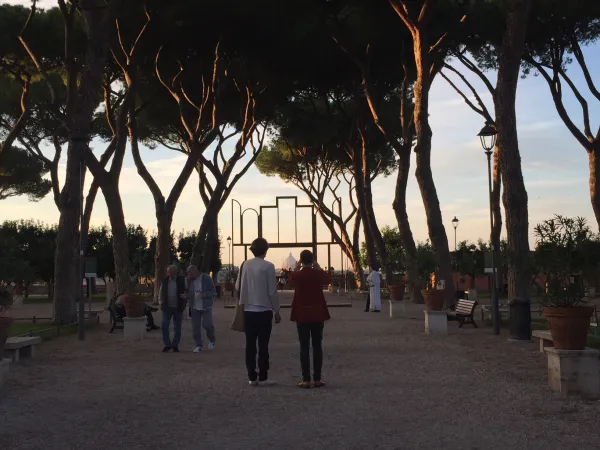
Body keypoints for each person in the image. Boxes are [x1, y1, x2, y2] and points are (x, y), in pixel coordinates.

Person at [235, 237, 281, 386]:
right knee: (263, 345)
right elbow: (272, 291)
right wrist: (277, 310)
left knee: (250, 344)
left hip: (248, 310)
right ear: (265, 250)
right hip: (264, 310)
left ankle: (251, 376)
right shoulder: (268, 266)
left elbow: (237, 287)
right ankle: (263, 376)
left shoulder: (245, 265)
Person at [289, 251, 330, 388]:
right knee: (317, 346)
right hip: (317, 313)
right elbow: (327, 280)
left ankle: (306, 379)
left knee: (304, 347)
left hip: (302, 314)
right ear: (312, 260)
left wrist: (295, 267)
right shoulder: (317, 274)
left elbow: (290, 280)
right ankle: (317, 379)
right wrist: (318, 267)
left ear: (300, 260)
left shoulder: (297, 275)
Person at [187, 265, 217, 353]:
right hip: (194, 306)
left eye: (191, 274)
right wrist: (186, 296)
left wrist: (205, 295)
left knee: (207, 325)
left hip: (206, 306)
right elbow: (188, 292)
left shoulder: (206, 278)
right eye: (188, 274)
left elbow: (214, 292)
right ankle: (198, 345)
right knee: (195, 327)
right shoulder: (189, 280)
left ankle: (212, 340)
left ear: (196, 272)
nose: (189, 276)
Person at [158, 264, 187, 353]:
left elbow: (187, 291)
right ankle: (167, 344)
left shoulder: (182, 280)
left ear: (175, 272)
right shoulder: (165, 281)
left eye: (171, 272)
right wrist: (160, 302)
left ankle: (175, 345)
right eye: (169, 272)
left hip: (178, 307)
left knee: (177, 327)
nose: (170, 274)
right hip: (167, 307)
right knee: (164, 325)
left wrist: (185, 297)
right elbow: (161, 292)